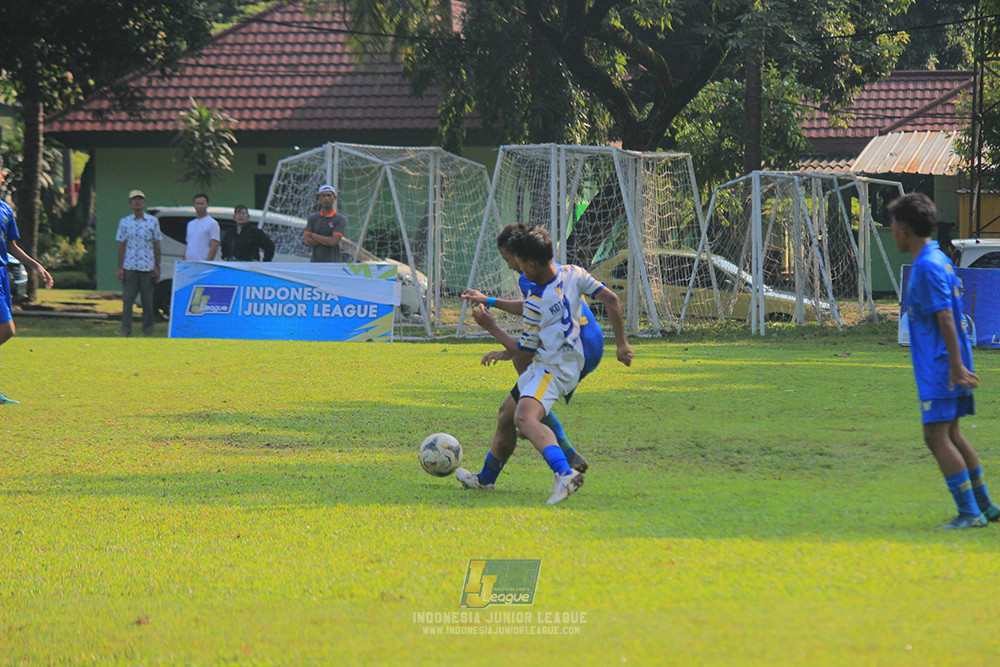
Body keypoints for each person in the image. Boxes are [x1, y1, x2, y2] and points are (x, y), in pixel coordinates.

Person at [463, 225, 633, 504]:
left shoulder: (536, 301)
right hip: (570, 358)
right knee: (507, 413)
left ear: (530, 264)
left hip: (552, 367)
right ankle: (485, 479)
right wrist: (622, 344)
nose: (515, 270)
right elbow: (612, 300)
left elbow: (523, 351)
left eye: (516, 263)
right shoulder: (574, 273)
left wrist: (491, 326)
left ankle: (564, 473)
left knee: (524, 418)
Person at [890, 192, 999, 529]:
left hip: (942, 365)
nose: (892, 233)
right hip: (950, 360)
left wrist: (953, 366)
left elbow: (946, 319)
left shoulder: (926, 267)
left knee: (935, 436)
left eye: (893, 227)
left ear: (905, 230)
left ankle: (969, 512)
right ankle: (985, 506)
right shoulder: (940, 258)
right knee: (951, 433)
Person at [0, 156, 54, 404]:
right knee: (7, 329)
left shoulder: (5, 209)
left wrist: (34, 264)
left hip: (2, 275)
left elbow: (10, 245)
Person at [115, 189, 162, 337]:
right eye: (134, 200)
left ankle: (148, 331)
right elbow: (122, 245)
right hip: (130, 267)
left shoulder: (152, 221)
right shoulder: (125, 222)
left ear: (144, 202)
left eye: (140, 199)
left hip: (147, 267)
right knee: (127, 301)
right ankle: (125, 330)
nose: (137, 202)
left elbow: (157, 244)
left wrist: (156, 266)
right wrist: (120, 267)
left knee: (147, 302)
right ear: (130, 203)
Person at [303, 184, 347, 262]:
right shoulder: (313, 218)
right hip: (315, 262)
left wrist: (314, 235)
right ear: (319, 198)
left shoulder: (340, 219)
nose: (327, 198)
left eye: (329, 195)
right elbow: (306, 241)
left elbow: (334, 242)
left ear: (335, 198)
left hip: (333, 263)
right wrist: (326, 241)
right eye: (323, 196)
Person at [184, 193, 220, 261]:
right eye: (197, 204)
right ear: (194, 205)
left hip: (202, 262)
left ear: (207, 205)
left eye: (202, 204)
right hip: (189, 263)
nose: (199, 206)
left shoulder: (212, 223)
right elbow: (188, 244)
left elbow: (214, 246)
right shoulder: (190, 224)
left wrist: (207, 262)